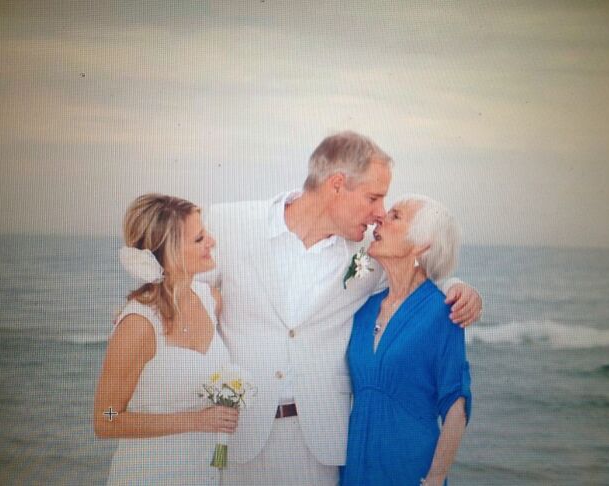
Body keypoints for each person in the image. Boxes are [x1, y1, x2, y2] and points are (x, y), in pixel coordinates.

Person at [204, 131, 482, 485]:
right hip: (239, 435)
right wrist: (144, 310)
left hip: (319, 447)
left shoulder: (369, 253)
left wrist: (459, 288)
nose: (379, 213)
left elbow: (416, 279)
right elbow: (182, 285)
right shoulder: (230, 224)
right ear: (337, 185)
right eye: (373, 197)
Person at [93, 194, 238, 485]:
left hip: (202, 473)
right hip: (149, 474)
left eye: (205, 232)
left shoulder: (211, 301)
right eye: (199, 239)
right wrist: (196, 421)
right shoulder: (138, 326)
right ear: (169, 253)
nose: (212, 241)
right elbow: (106, 418)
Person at [341, 195, 471, 486]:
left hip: (411, 472)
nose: (380, 220)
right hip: (355, 470)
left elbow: (455, 408)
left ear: (422, 243)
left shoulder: (442, 312)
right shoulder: (363, 309)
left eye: (395, 216)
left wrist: (436, 478)